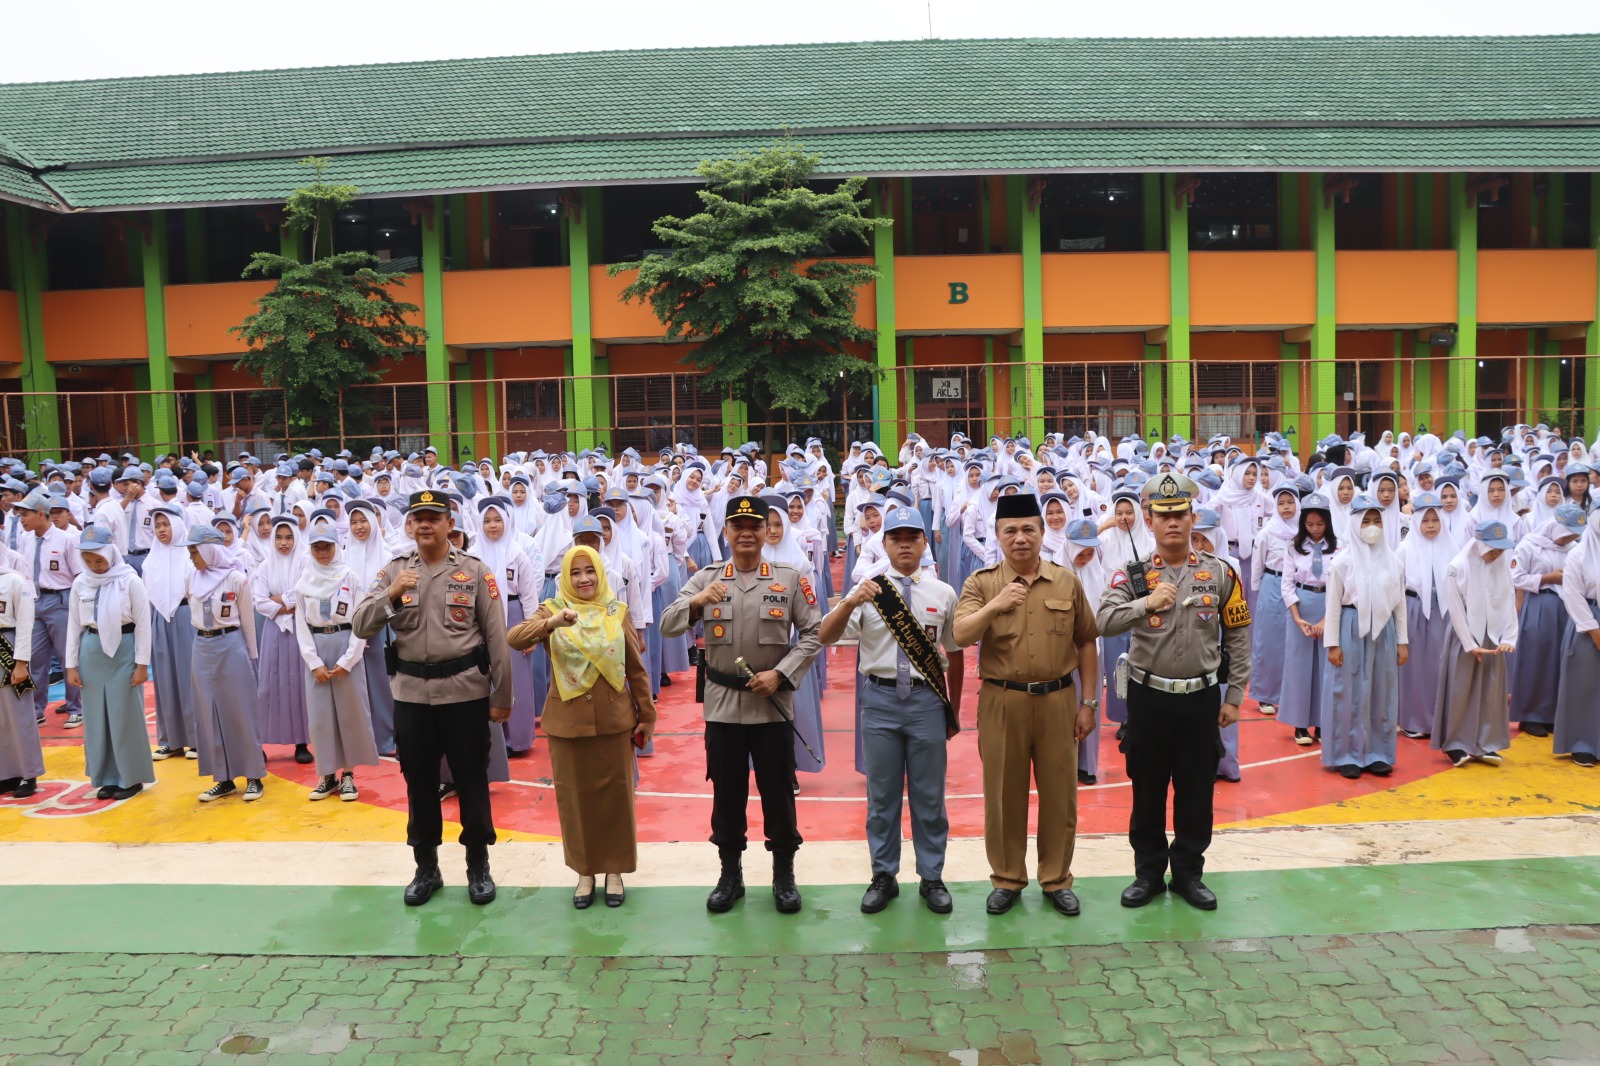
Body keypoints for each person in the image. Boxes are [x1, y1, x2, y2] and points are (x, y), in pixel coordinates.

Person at [1095, 473, 1251, 912]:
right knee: (1147, 790)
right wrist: (1146, 603)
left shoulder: (1219, 572)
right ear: (1149, 519)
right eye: (1162, 516)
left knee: (1196, 791)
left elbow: (1238, 633)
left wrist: (1235, 693)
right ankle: (1147, 873)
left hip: (1201, 699)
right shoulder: (1137, 574)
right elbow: (1102, 621)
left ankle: (1188, 873)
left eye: (1179, 514)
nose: (1172, 523)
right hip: (1149, 699)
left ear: (1192, 516)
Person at [660, 495, 822, 915]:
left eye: (755, 525)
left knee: (778, 793)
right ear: (727, 532)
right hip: (723, 707)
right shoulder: (710, 578)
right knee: (727, 796)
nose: (747, 533)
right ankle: (730, 875)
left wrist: (782, 674)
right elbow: (667, 623)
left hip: (772, 707)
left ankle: (783, 875)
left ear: (766, 532)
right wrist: (696, 602)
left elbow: (814, 633)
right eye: (738, 525)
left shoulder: (788, 578)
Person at [352, 489, 512, 907]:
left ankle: (478, 864)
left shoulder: (476, 572)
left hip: (464, 693)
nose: (425, 524)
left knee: (472, 780)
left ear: (449, 524)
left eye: (433, 517)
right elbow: (359, 625)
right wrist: (390, 595)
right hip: (412, 696)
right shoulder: (394, 572)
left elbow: (497, 636)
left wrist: (502, 695)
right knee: (419, 782)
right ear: (409, 525)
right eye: (418, 518)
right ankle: (427, 868)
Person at [953, 492, 1099, 918]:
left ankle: (1055, 879)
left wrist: (1089, 702)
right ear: (997, 536)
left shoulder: (1066, 580)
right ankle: (1007, 878)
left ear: (1042, 533)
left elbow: (1086, 640)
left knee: (1060, 795)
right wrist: (996, 605)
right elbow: (961, 635)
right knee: (1002, 795)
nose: (1020, 538)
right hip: (1002, 700)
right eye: (1010, 531)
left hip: (1058, 700)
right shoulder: (980, 583)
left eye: (1028, 530)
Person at [819, 505, 964, 915]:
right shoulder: (869, 589)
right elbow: (826, 637)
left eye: (912, 537)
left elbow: (955, 652)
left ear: (925, 543)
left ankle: (931, 875)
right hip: (880, 700)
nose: (904, 544)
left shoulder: (943, 593)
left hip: (926, 702)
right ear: (883, 543)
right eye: (896, 537)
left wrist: (951, 710)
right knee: (881, 797)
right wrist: (850, 601)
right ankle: (883, 874)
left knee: (929, 795)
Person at [506, 545, 657, 909]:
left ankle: (615, 871)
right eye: (576, 572)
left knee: (616, 799)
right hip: (568, 722)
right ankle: (585, 873)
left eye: (590, 571)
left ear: (601, 573)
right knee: (575, 801)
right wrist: (551, 624)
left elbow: (635, 668)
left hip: (614, 719)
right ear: (565, 577)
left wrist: (646, 715)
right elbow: (515, 638)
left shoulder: (615, 611)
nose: (584, 578)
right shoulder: (553, 609)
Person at [63, 525, 154, 801]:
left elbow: (143, 626)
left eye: (100, 560)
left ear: (111, 554)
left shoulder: (130, 581)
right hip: (92, 651)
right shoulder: (81, 582)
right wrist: (71, 664)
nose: (95, 566)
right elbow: (74, 625)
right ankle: (106, 776)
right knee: (96, 717)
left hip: (123, 651)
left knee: (124, 715)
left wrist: (142, 665)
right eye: (89, 561)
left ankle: (131, 776)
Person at [1321, 497, 1407, 779]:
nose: (1372, 527)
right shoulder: (1342, 562)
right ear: (1355, 525)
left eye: (1377, 521)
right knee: (1348, 692)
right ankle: (1347, 754)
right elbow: (1333, 604)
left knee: (1381, 692)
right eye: (1366, 522)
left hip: (1383, 631)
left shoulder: (1393, 560)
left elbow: (1399, 604)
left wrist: (1402, 641)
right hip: (1350, 627)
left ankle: (1377, 753)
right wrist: (1332, 643)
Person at [294, 526, 381, 802]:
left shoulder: (350, 577)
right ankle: (327, 775)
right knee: (320, 716)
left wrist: (349, 660)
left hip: (345, 647)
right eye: (317, 547)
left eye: (327, 546)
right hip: (317, 651)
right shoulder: (303, 582)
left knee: (349, 713)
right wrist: (313, 661)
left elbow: (360, 622)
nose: (322, 552)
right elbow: (301, 626)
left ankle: (348, 775)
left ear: (336, 547)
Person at [185, 525, 266, 802]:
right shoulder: (191, 578)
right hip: (201, 646)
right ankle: (223, 778)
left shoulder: (235, 579)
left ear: (209, 550)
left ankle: (254, 776)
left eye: (195, 551)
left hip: (231, 645)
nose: (192, 557)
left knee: (240, 710)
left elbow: (247, 621)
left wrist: (252, 656)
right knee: (208, 712)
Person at [1433, 521, 1519, 768]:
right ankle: (1456, 744)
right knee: (1461, 689)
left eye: (1501, 549)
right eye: (1492, 549)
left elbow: (1508, 601)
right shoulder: (1458, 566)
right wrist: (1470, 644)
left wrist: (1509, 638)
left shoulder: (1501, 565)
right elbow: (1456, 610)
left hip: (1492, 636)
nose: (1497, 554)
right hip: (1465, 636)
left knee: (1491, 691)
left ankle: (1485, 743)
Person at [1509, 504, 1584, 738]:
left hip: (1565, 607)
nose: (1568, 539)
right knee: (1535, 657)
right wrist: (1547, 578)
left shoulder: (1574, 549)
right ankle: (1530, 714)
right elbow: (1515, 576)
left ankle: (1551, 714)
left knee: (1557, 659)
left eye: (1573, 535)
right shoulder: (1530, 545)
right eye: (1566, 534)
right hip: (1540, 603)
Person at [1279, 494, 1337, 747]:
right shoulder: (1293, 547)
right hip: (1301, 606)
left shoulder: (1339, 546)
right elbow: (1287, 584)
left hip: (1329, 605)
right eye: (1310, 524)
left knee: (1327, 668)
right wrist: (1297, 617)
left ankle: (1324, 722)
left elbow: (1340, 584)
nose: (1315, 529)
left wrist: (1327, 618)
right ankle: (1300, 724)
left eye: (1320, 524)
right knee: (1299, 667)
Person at [1395, 493, 1453, 740]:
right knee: (1415, 666)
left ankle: (1443, 720)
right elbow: (1396, 586)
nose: (1430, 525)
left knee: (1440, 664)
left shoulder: (1451, 548)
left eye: (1435, 520)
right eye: (1425, 520)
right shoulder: (1404, 549)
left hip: (1444, 612)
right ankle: (1413, 719)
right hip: (1413, 610)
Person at [1554, 504, 1600, 767]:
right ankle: (1582, 743)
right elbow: (1573, 595)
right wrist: (1593, 630)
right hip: (1587, 623)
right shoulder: (1579, 554)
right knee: (1585, 684)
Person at [0, 546, 43, 798]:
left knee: (20, 714)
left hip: (9, 646)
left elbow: (26, 624)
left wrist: (21, 662)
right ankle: (6, 773)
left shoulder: (15, 580)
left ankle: (29, 773)